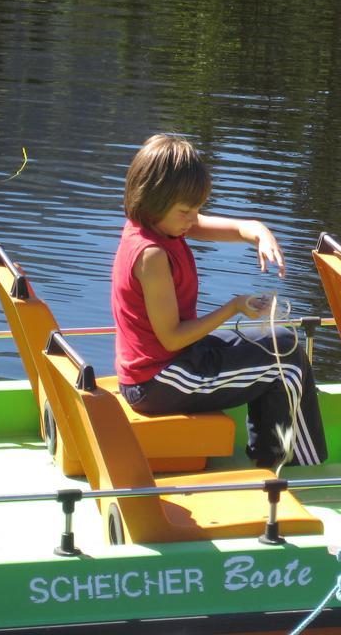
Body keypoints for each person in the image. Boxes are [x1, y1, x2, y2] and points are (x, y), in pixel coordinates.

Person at [110, 133, 326, 469]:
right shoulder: (151, 253)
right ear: (154, 199)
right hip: (158, 381)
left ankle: (270, 458)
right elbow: (172, 337)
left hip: (168, 365)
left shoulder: (163, 225)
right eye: (187, 211)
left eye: (198, 209)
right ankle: (300, 472)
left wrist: (260, 232)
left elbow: (238, 229)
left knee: (280, 340)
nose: (194, 219)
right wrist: (234, 307)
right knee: (287, 363)